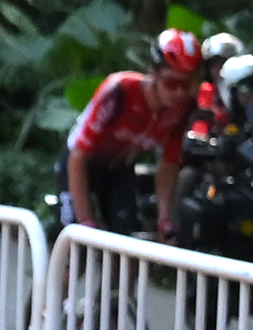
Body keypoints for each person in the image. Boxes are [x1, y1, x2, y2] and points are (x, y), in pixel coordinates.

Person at [62, 27, 209, 240]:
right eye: (171, 83)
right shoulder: (119, 90)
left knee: (128, 249)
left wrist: (165, 220)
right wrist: (86, 222)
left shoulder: (184, 108)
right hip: (80, 163)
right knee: (78, 250)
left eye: (186, 84)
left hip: (118, 171)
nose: (179, 93)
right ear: (153, 72)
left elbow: (169, 164)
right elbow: (78, 155)